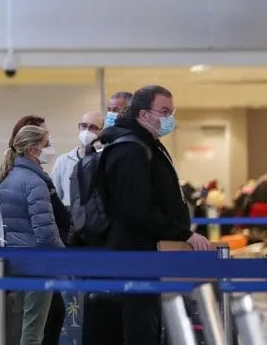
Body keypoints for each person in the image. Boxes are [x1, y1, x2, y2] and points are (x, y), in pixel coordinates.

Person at [101, 85, 212, 345]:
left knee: (151, 324)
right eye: (163, 111)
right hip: (136, 253)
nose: (169, 117)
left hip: (149, 253)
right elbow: (138, 208)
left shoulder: (147, 144)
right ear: (143, 114)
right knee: (140, 327)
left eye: (171, 111)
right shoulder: (130, 149)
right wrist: (182, 233)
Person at [0, 125, 64, 345]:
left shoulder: (8, 177)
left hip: (14, 260)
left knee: (19, 322)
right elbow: (45, 230)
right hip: (37, 262)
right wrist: (64, 258)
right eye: (47, 144)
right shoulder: (35, 182)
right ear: (33, 150)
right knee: (34, 328)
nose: (50, 149)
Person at [51, 111, 104, 207]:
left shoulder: (106, 159)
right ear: (79, 127)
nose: (87, 131)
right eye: (83, 125)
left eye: (93, 127)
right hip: (70, 217)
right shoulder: (63, 161)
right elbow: (55, 197)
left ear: (101, 131)